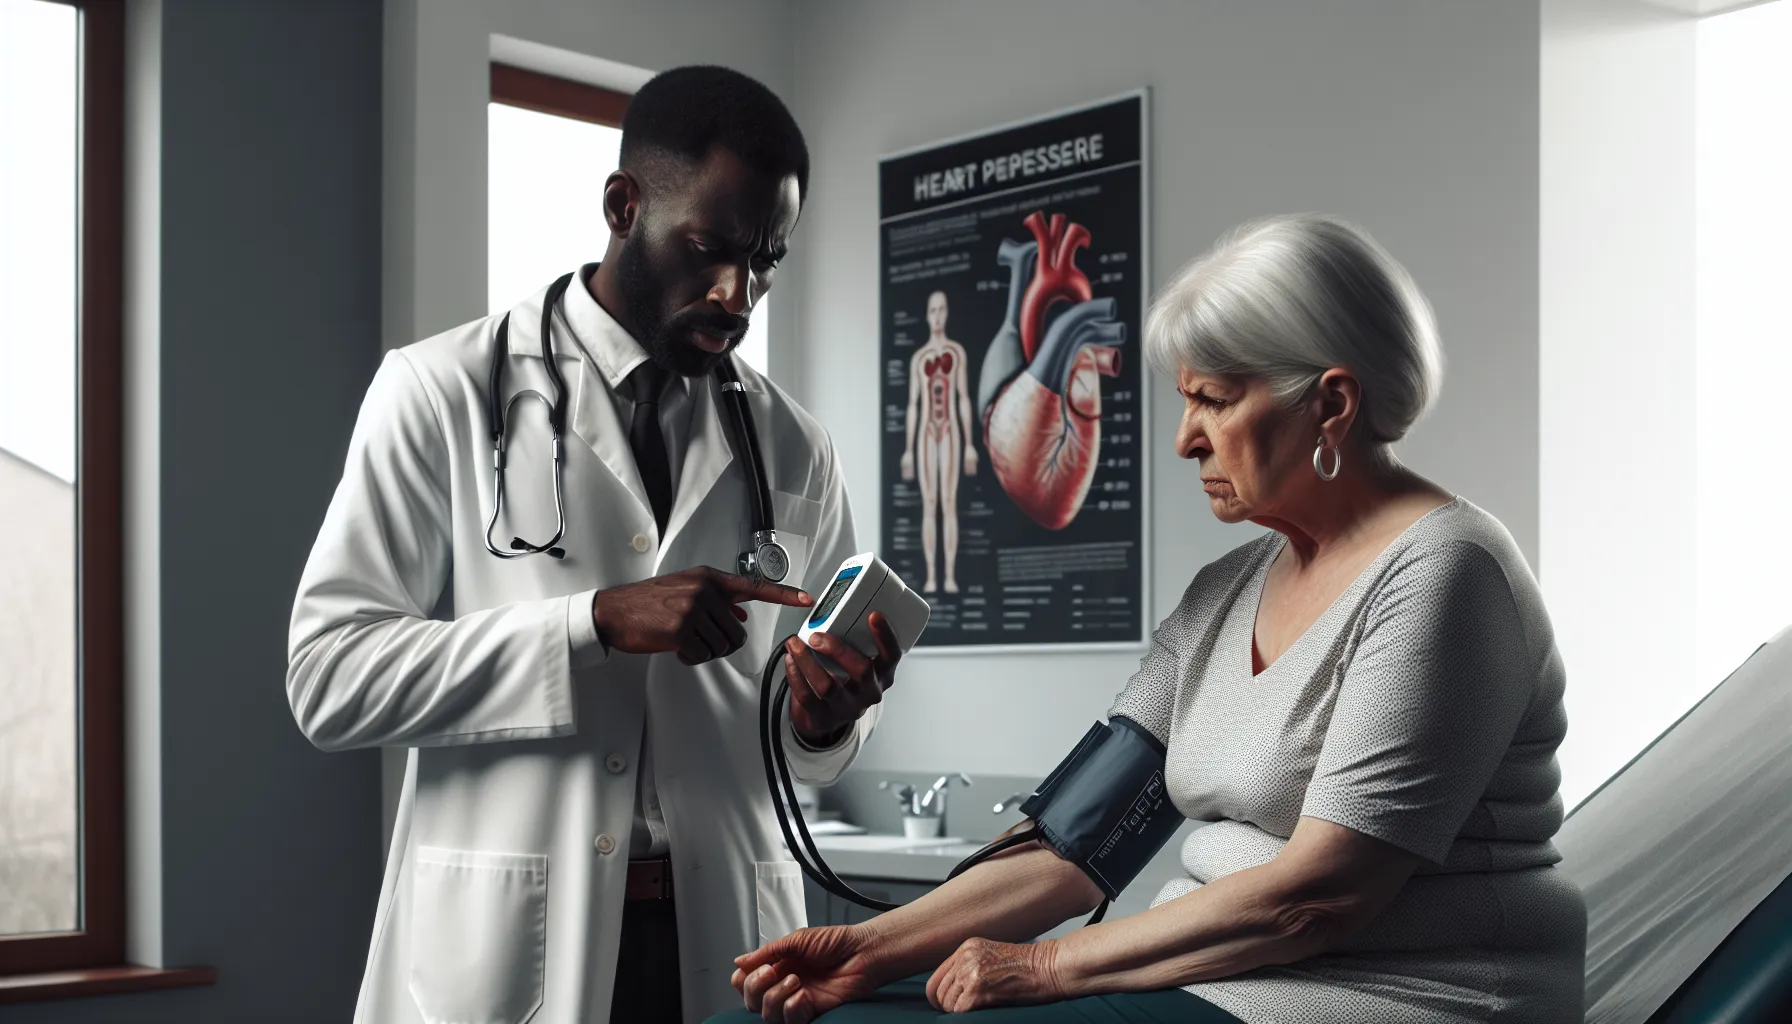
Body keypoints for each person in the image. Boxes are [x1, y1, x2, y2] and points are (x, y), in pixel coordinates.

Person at [722, 214, 1586, 1024]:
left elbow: (1320, 896)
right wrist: (867, 949)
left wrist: (1047, 966)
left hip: (1384, 997)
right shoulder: (1225, 590)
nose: (1185, 439)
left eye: (1213, 399)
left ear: (1331, 404)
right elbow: (1076, 841)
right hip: (1220, 985)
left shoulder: (1445, 574)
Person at [286, 65, 904, 1024]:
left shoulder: (792, 442)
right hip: (508, 945)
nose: (739, 294)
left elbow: (805, 749)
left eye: (768, 261)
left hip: (728, 940)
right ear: (624, 206)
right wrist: (593, 627)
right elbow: (329, 678)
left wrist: (825, 718)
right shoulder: (441, 390)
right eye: (711, 248)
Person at [900, 291, 978, 593]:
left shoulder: (956, 353)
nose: (936, 315)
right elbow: (912, 406)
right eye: (932, 310)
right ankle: (932, 575)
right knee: (929, 504)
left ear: (946, 313)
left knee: (949, 503)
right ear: (927, 314)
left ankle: (949, 577)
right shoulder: (918, 359)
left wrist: (970, 444)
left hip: (950, 430)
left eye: (941, 309)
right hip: (925, 432)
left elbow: (962, 399)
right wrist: (908, 451)